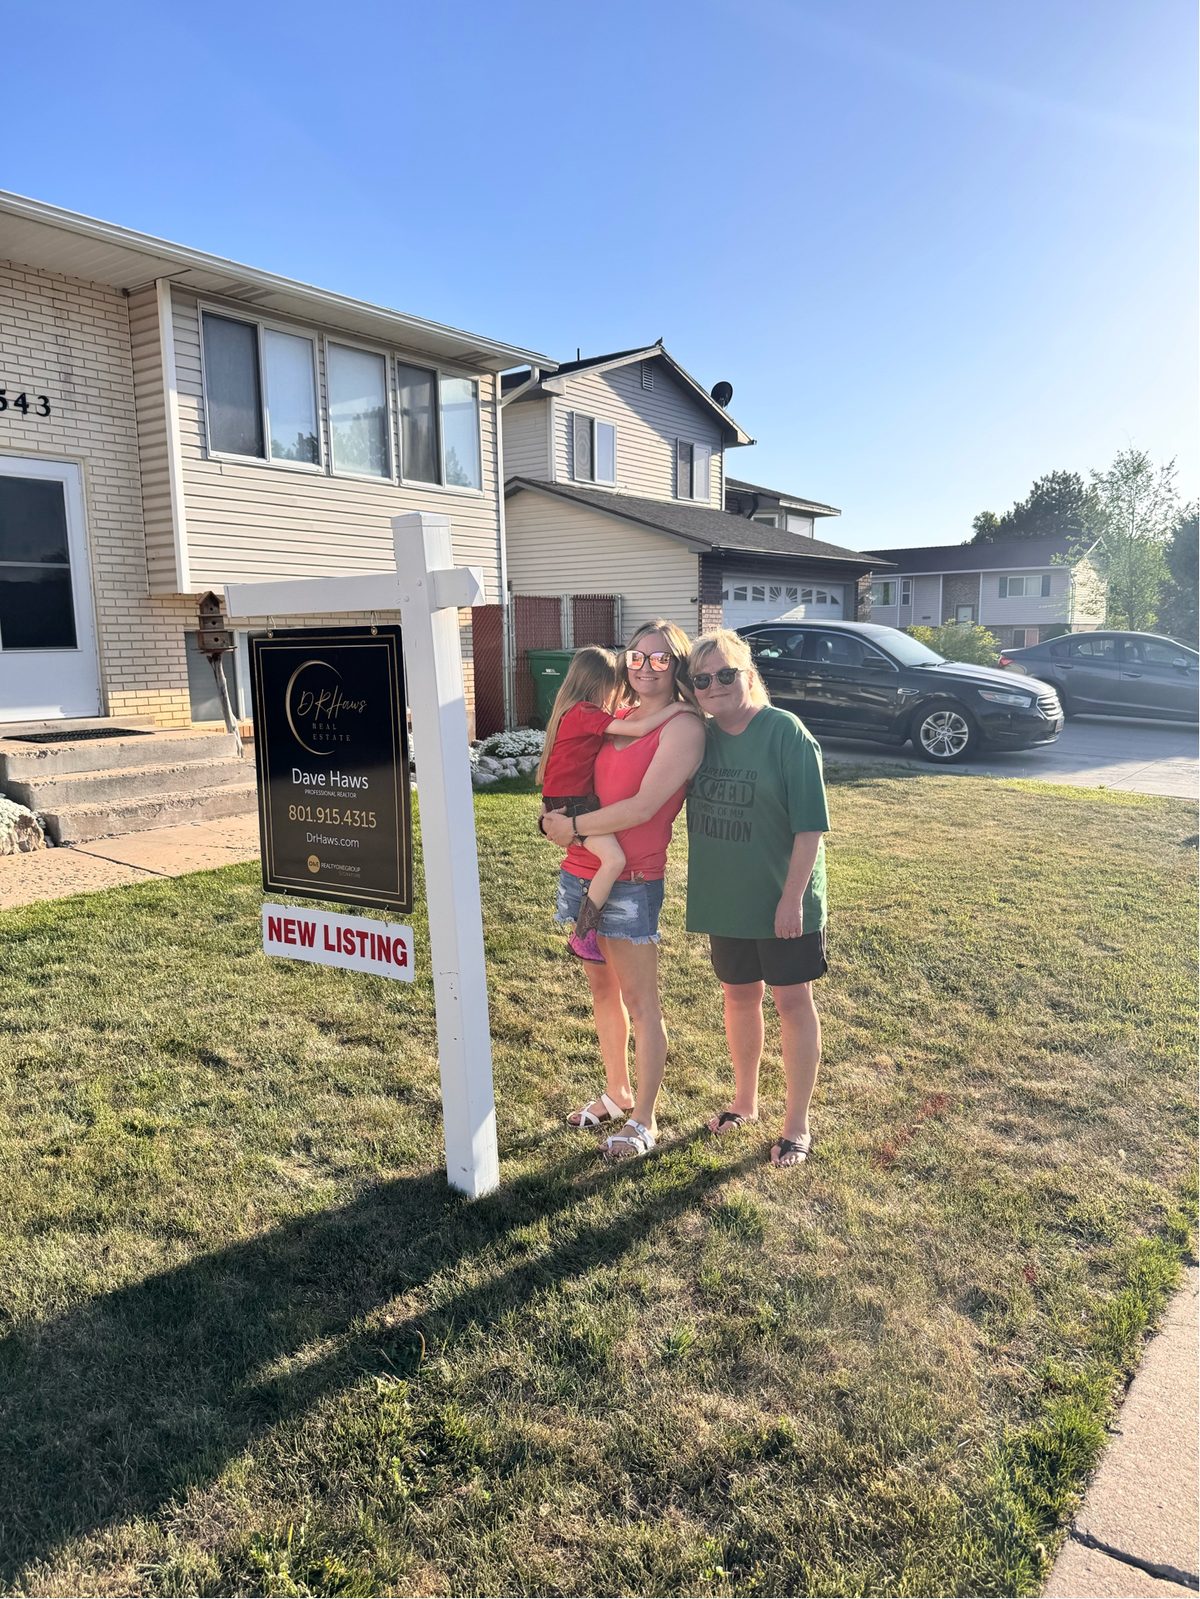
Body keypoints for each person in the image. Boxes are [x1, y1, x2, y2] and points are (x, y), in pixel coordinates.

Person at [540, 620, 705, 1160]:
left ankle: (643, 1119)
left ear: (677, 666)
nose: (645, 667)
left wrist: (573, 826)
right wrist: (560, 822)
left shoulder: (683, 728)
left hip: (631, 880)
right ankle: (615, 1093)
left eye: (660, 659)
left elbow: (641, 808)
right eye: (637, 657)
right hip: (582, 869)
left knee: (642, 1001)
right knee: (604, 994)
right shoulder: (623, 716)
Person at [684, 629, 830, 1168]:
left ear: (748, 674)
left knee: (792, 1003)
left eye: (726, 674)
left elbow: (810, 827)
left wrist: (792, 899)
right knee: (738, 997)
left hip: (782, 899)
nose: (716, 686)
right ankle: (744, 1103)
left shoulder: (785, 732)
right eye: (702, 679)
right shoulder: (699, 736)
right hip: (727, 898)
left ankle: (797, 1126)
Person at [537, 646, 689, 963]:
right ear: (602, 683)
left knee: (609, 859)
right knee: (614, 861)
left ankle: (584, 933)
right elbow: (638, 728)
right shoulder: (585, 713)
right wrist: (678, 709)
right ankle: (583, 935)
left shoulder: (568, 712)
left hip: (561, 801)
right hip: (575, 805)